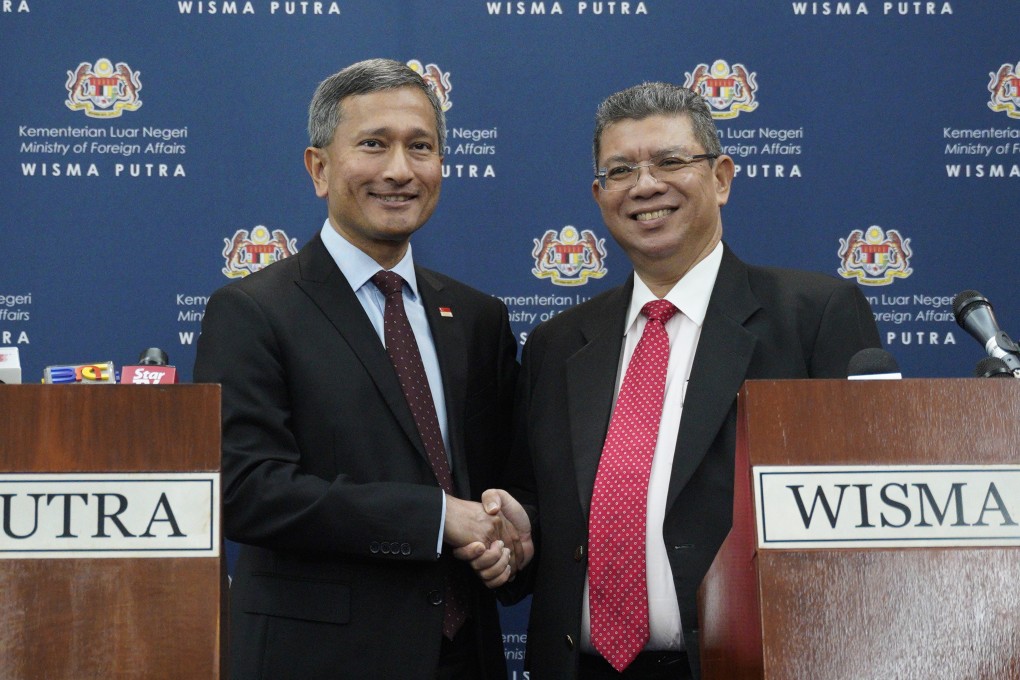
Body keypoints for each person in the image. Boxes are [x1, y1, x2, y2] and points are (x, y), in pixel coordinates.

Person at [504, 82, 881, 679]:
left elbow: (868, 520)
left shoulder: (815, 316)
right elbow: (536, 515)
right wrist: (515, 539)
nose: (645, 185)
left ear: (722, 178)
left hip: (749, 664)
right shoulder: (557, 344)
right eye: (620, 170)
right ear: (600, 196)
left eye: (670, 162)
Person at [194, 58, 531, 680]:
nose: (399, 170)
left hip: (468, 658)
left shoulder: (479, 317)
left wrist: (514, 535)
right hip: (320, 662)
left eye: (420, 147)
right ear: (318, 168)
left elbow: (506, 476)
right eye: (373, 145)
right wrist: (435, 516)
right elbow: (243, 491)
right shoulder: (251, 311)